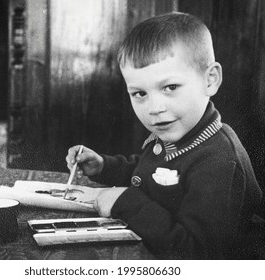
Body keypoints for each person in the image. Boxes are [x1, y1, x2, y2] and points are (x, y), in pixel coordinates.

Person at [66, 12, 264, 259]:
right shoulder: (179, 131)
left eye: (170, 87)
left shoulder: (220, 161)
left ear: (210, 80)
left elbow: (198, 255)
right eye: (139, 93)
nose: (154, 108)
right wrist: (105, 166)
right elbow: (152, 175)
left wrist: (127, 204)